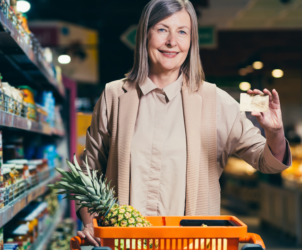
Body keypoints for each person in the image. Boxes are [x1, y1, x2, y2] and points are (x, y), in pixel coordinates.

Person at [77, 0, 291, 246]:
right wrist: (89, 223)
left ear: (191, 41)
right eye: (161, 29)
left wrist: (275, 132)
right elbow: (89, 173)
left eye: (182, 32)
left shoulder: (216, 101)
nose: (172, 42)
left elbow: (267, 163)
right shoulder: (114, 96)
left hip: (193, 244)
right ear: (144, 35)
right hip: (125, 241)